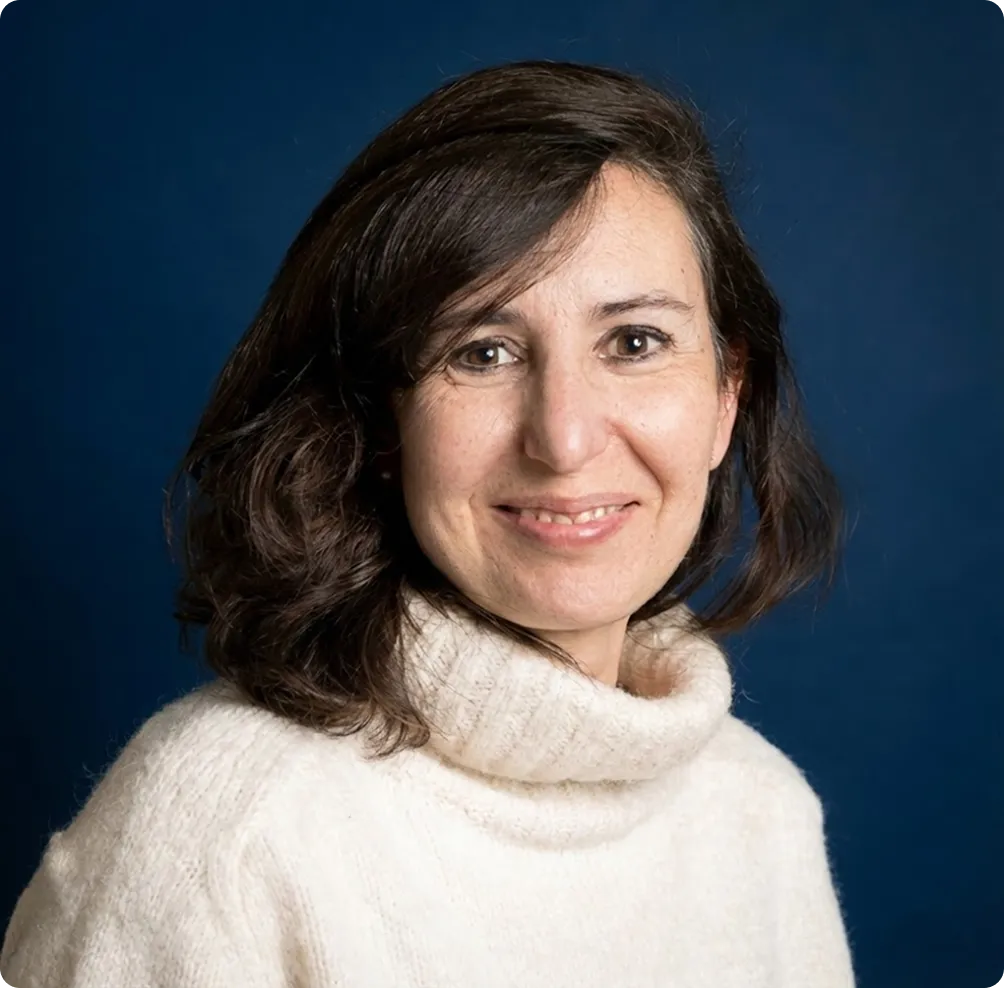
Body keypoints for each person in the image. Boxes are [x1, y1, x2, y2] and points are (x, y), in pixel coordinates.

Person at [0, 60, 857, 986]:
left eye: (634, 342)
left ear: (727, 396)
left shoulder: (762, 814)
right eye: (482, 353)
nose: (565, 440)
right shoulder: (222, 832)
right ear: (380, 422)